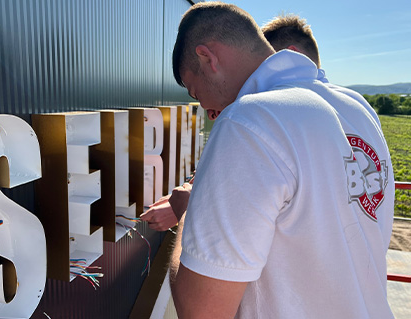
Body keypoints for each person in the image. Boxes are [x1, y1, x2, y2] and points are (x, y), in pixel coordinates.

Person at [168, 2, 394, 318]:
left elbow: (201, 312)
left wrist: (189, 214)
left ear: (208, 58)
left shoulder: (247, 122)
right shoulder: (358, 109)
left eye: (195, 91)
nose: (205, 107)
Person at [141, 13, 382, 232]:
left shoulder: (255, 119)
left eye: (264, 67)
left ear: (291, 55)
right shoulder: (359, 108)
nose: (209, 111)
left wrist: (191, 214)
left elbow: (209, 275)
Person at [261, 13, 381, 127]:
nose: (260, 74)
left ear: (292, 55)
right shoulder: (360, 104)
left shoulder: (282, 109)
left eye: (268, 63)